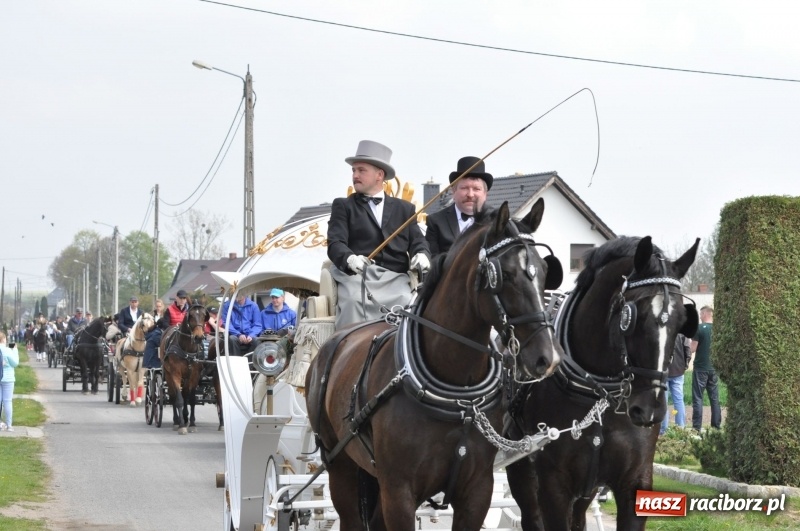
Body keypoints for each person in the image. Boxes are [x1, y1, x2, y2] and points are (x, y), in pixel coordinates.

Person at [326, 140, 430, 329]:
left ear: (379, 175)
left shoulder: (405, 209)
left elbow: (418, 241)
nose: (355, 175)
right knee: (351, 301)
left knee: (408, 302)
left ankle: (403, 355)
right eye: (353, 170)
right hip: (356, 278)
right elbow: (335, 243)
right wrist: (350, 259)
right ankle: (349, 354)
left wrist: (422, 254)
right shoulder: (343, 206)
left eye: (361, 170)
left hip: (395, 279)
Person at [425, 156, 493, 257]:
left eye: (476, 189)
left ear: (485, 193)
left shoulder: (496, 220)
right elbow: (433, 264)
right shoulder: (435, 222)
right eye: (464, 188)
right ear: (453, 191)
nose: (470, 194)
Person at [691, 306, 722, 431]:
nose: (699, 316)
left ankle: (696, 427)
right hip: (713, 368)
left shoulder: (698, 329)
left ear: (705, 314)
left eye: (700, 314)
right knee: (714, 398)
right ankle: (716, 426)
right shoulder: (718, 329)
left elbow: (693, 348)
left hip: (700, 368)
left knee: (698, 397)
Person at [660, 333, 692, 435]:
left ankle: (663, 430)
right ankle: (680, 427)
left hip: (663, 370)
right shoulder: (682, 330)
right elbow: (687, 348)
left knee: (663, 401)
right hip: (678, 369)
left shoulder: (662, 329)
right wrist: (686, 364)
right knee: (679, 399)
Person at [0, 331, 19, 432]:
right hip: (8, 378)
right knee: (7, 401)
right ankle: (9, 424)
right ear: (3, 339)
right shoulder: (7, 350)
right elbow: (15, 363)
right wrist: (15, 350)